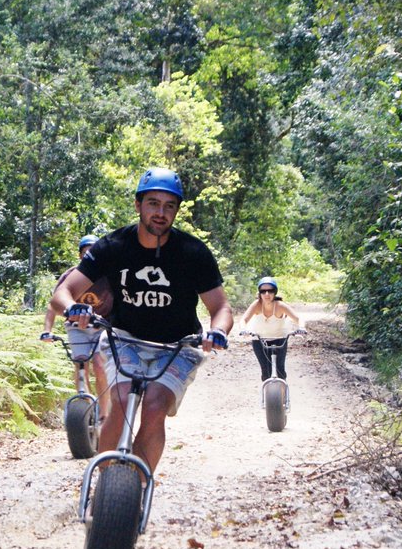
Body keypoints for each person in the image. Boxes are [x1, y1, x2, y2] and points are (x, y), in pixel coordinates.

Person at [51, 167, 232, 473]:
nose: (160, 213)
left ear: (176, 211)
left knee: (154, 405)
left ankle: (136, 483)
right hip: (125, 339)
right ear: (138, 205)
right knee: (121, 402)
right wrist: (73, 308)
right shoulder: (114, 246)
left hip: (178, 345)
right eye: (153, 203)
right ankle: (107, 481)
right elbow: (63, 292)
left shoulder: (193, 252)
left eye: (169, 205)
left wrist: (218, 330)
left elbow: (221, 307)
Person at [41, 235, 112, 404]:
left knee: (99, 365)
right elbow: (53, 305)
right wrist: (46, 330)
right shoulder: (71, 276)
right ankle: (85, 406)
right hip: (76, 327)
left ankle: (103, 412)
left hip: (102, 327)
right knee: (80, 363)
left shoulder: (109, 275)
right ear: (80, 256)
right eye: (86, 253)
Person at [240, 277, 304, 381]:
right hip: (259, 339)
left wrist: (301, 327)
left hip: (279, 339)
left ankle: (283, 395)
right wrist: (244, 329)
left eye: (270, 291)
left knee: (280, 370)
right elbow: (244, 320)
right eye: (263, 291)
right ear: (259, 293)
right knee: (266, 371)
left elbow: (298, 318)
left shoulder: (280, 306)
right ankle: (266, 396)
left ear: (275, 292)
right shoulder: (256, 305)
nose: (267, 294)